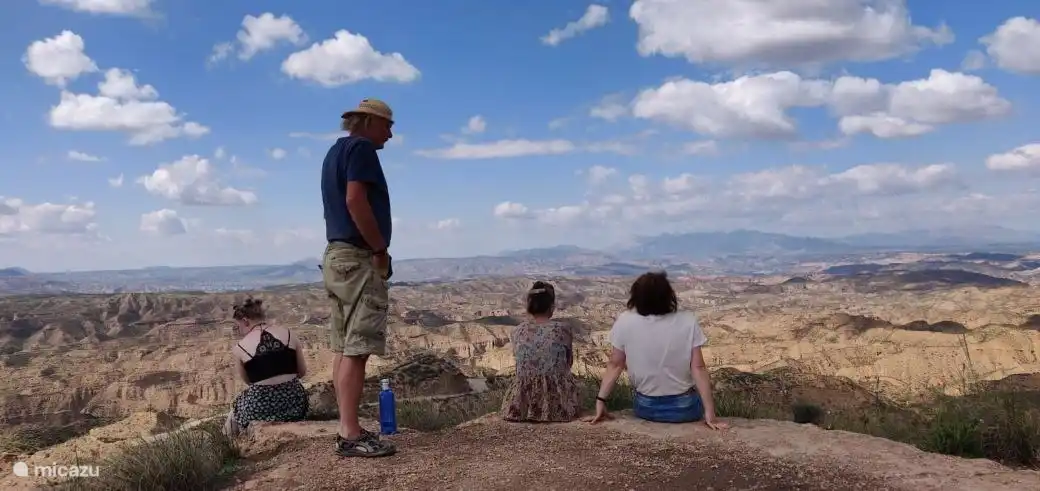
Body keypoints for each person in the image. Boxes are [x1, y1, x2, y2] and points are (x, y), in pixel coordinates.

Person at [321, 98, 397, 457]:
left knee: (343, 346)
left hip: (337, 257)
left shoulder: (335, 152)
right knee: (357, 348)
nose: (391, 134)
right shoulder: (362, 149)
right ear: (368, 122)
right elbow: (356, 201)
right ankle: (351, 435)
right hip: (358, 257)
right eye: (387, 125)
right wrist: (379, 248)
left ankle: (345, 426)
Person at [590, 271, 729, 430]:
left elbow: (615, 364)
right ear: (669, 296)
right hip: (685, 409)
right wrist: (710, 414)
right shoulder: (688, 321)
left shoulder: (625, 321)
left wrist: (600, 401)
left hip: (645, 408)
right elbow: (698, 368)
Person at [225, 297, 308, 437]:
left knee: (236, 408)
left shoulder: (240, 348)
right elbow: (302, 372)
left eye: (238, 326)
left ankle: (231, 447)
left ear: (245, 321)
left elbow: (249, 382)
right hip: (295, 404)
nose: (238, 330)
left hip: (260, 410)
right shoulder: (289, 334)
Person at [500, 281, 581, 422]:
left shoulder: (517, 331)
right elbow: (568, 363)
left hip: (522, 404)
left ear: (530, 306)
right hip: (558, 401)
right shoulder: (563, 329)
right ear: (552, 307)